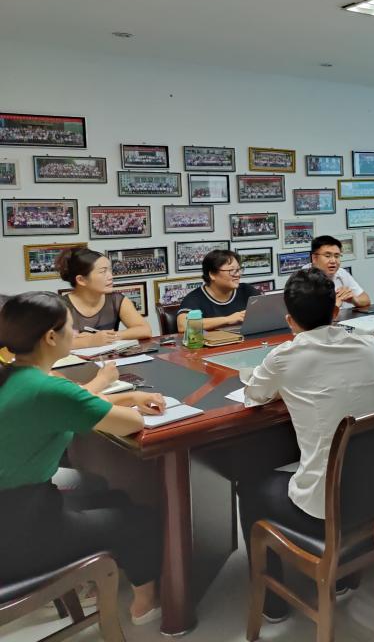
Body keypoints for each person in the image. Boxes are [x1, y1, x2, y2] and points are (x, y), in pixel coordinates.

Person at [0, 292, 167, 625]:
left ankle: (100, 576)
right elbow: (130, 424)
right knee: (140, 520)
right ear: (51, 337)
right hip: (20, 533)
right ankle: (145, 606)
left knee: (116, 497)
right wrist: (132, 405)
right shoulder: (48, 388)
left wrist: (129, 396)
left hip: (15, 507)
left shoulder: (13, 375)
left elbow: (70, 405)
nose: (75, 333)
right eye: (71, 327)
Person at [238, 269, 374, 620]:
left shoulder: (285, 356)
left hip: (329, 507)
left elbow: (254, 396)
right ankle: (344, 577)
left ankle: (272, 604)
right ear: (336, 312)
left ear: (289, 320)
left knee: (250, 486)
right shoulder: (370, 344)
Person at [56, 247, 151, 347]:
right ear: (81, 280)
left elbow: (145, 330)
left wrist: (110, 337)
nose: (110, 276)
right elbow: (52, 344)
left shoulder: (116, 300)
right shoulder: (60, 307)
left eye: (110, 270)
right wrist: (90, 341)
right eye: (103, 272)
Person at [176, 249, 262, 332]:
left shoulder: (246, 290)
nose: (238, 275)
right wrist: (228, 319)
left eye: (238, 270)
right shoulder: (195, 298)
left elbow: (266, 312)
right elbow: (183, 325)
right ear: (212, 274)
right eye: (231, 270)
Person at [306, 235, 369, 308]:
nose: (333, 261)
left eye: (337, 256)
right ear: (314, 258)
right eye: (327, 256)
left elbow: (366, 300)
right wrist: (335, 305)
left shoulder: (341, 273)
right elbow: (305, 313)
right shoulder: (302, 278)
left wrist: (354, 300)